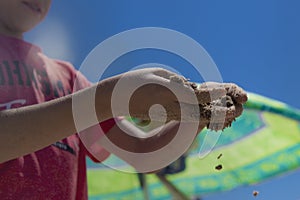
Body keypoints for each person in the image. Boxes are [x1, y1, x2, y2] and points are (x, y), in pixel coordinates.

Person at [0, 0, 247, 199]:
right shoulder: (88, 97)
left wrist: (199, 112)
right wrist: (109, 98)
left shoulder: (68, 79)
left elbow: (143, 152)